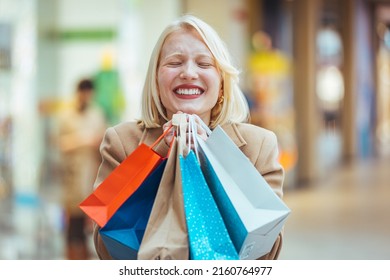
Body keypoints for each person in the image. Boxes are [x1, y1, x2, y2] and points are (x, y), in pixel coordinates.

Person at [92, 15, 285, 260]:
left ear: (222, 83)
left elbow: (268, 251)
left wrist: (217, 158)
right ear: (156, 79)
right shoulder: (121, 141)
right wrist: (155, 157)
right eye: (175, 62)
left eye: (204, 64)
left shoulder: (259, 146)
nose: (189, 73)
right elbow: (105, 247)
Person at [57, 78, 107, 259]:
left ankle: (87, 255)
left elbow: (103, 141)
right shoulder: (67, 116)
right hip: (73, 174)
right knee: (74, 221)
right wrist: (83, 139)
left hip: (92, 172)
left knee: (91, 221)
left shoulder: (97, 113)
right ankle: (72, 255)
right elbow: (61, 143)